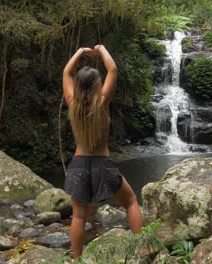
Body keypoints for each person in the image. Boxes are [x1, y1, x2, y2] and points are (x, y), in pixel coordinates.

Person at [62, 44, 144, 260]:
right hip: (102, 164)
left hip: (79, 165)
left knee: (78, 215)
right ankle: (142, 250)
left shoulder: (72, 103)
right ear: (98, 86)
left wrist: (79, 52)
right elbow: (113, 69)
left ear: (78, 86)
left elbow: (66, 72)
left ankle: (77, 259)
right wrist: (101, 49)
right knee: (131, 202)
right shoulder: (102, 103)